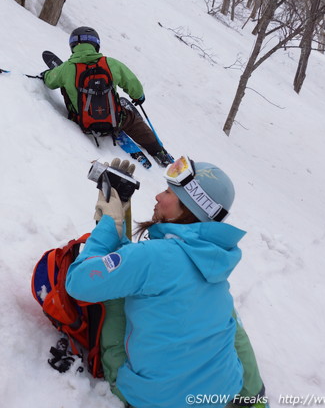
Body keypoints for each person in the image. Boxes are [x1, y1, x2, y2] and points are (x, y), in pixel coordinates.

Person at [66, 156, 248, 408]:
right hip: (222, 392)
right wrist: (124, 213)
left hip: (156, 399)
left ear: (187, 206)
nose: (157, 197)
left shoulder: (155, 257)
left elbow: (78, 283)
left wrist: (109, 224)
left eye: (169, 191)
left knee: (116, 297)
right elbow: (143, 267)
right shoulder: (216, 259)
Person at [41, 26, 173, 167]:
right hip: (115, 119)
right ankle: (158, 151)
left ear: (72, 46)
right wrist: (138, 96)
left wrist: (47, 74)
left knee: (65, 87)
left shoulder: (66, 68)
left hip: (83, 122)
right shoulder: (111, 64)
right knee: (133, 121)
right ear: (96, 45)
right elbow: (134, 85)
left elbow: (50, 82)